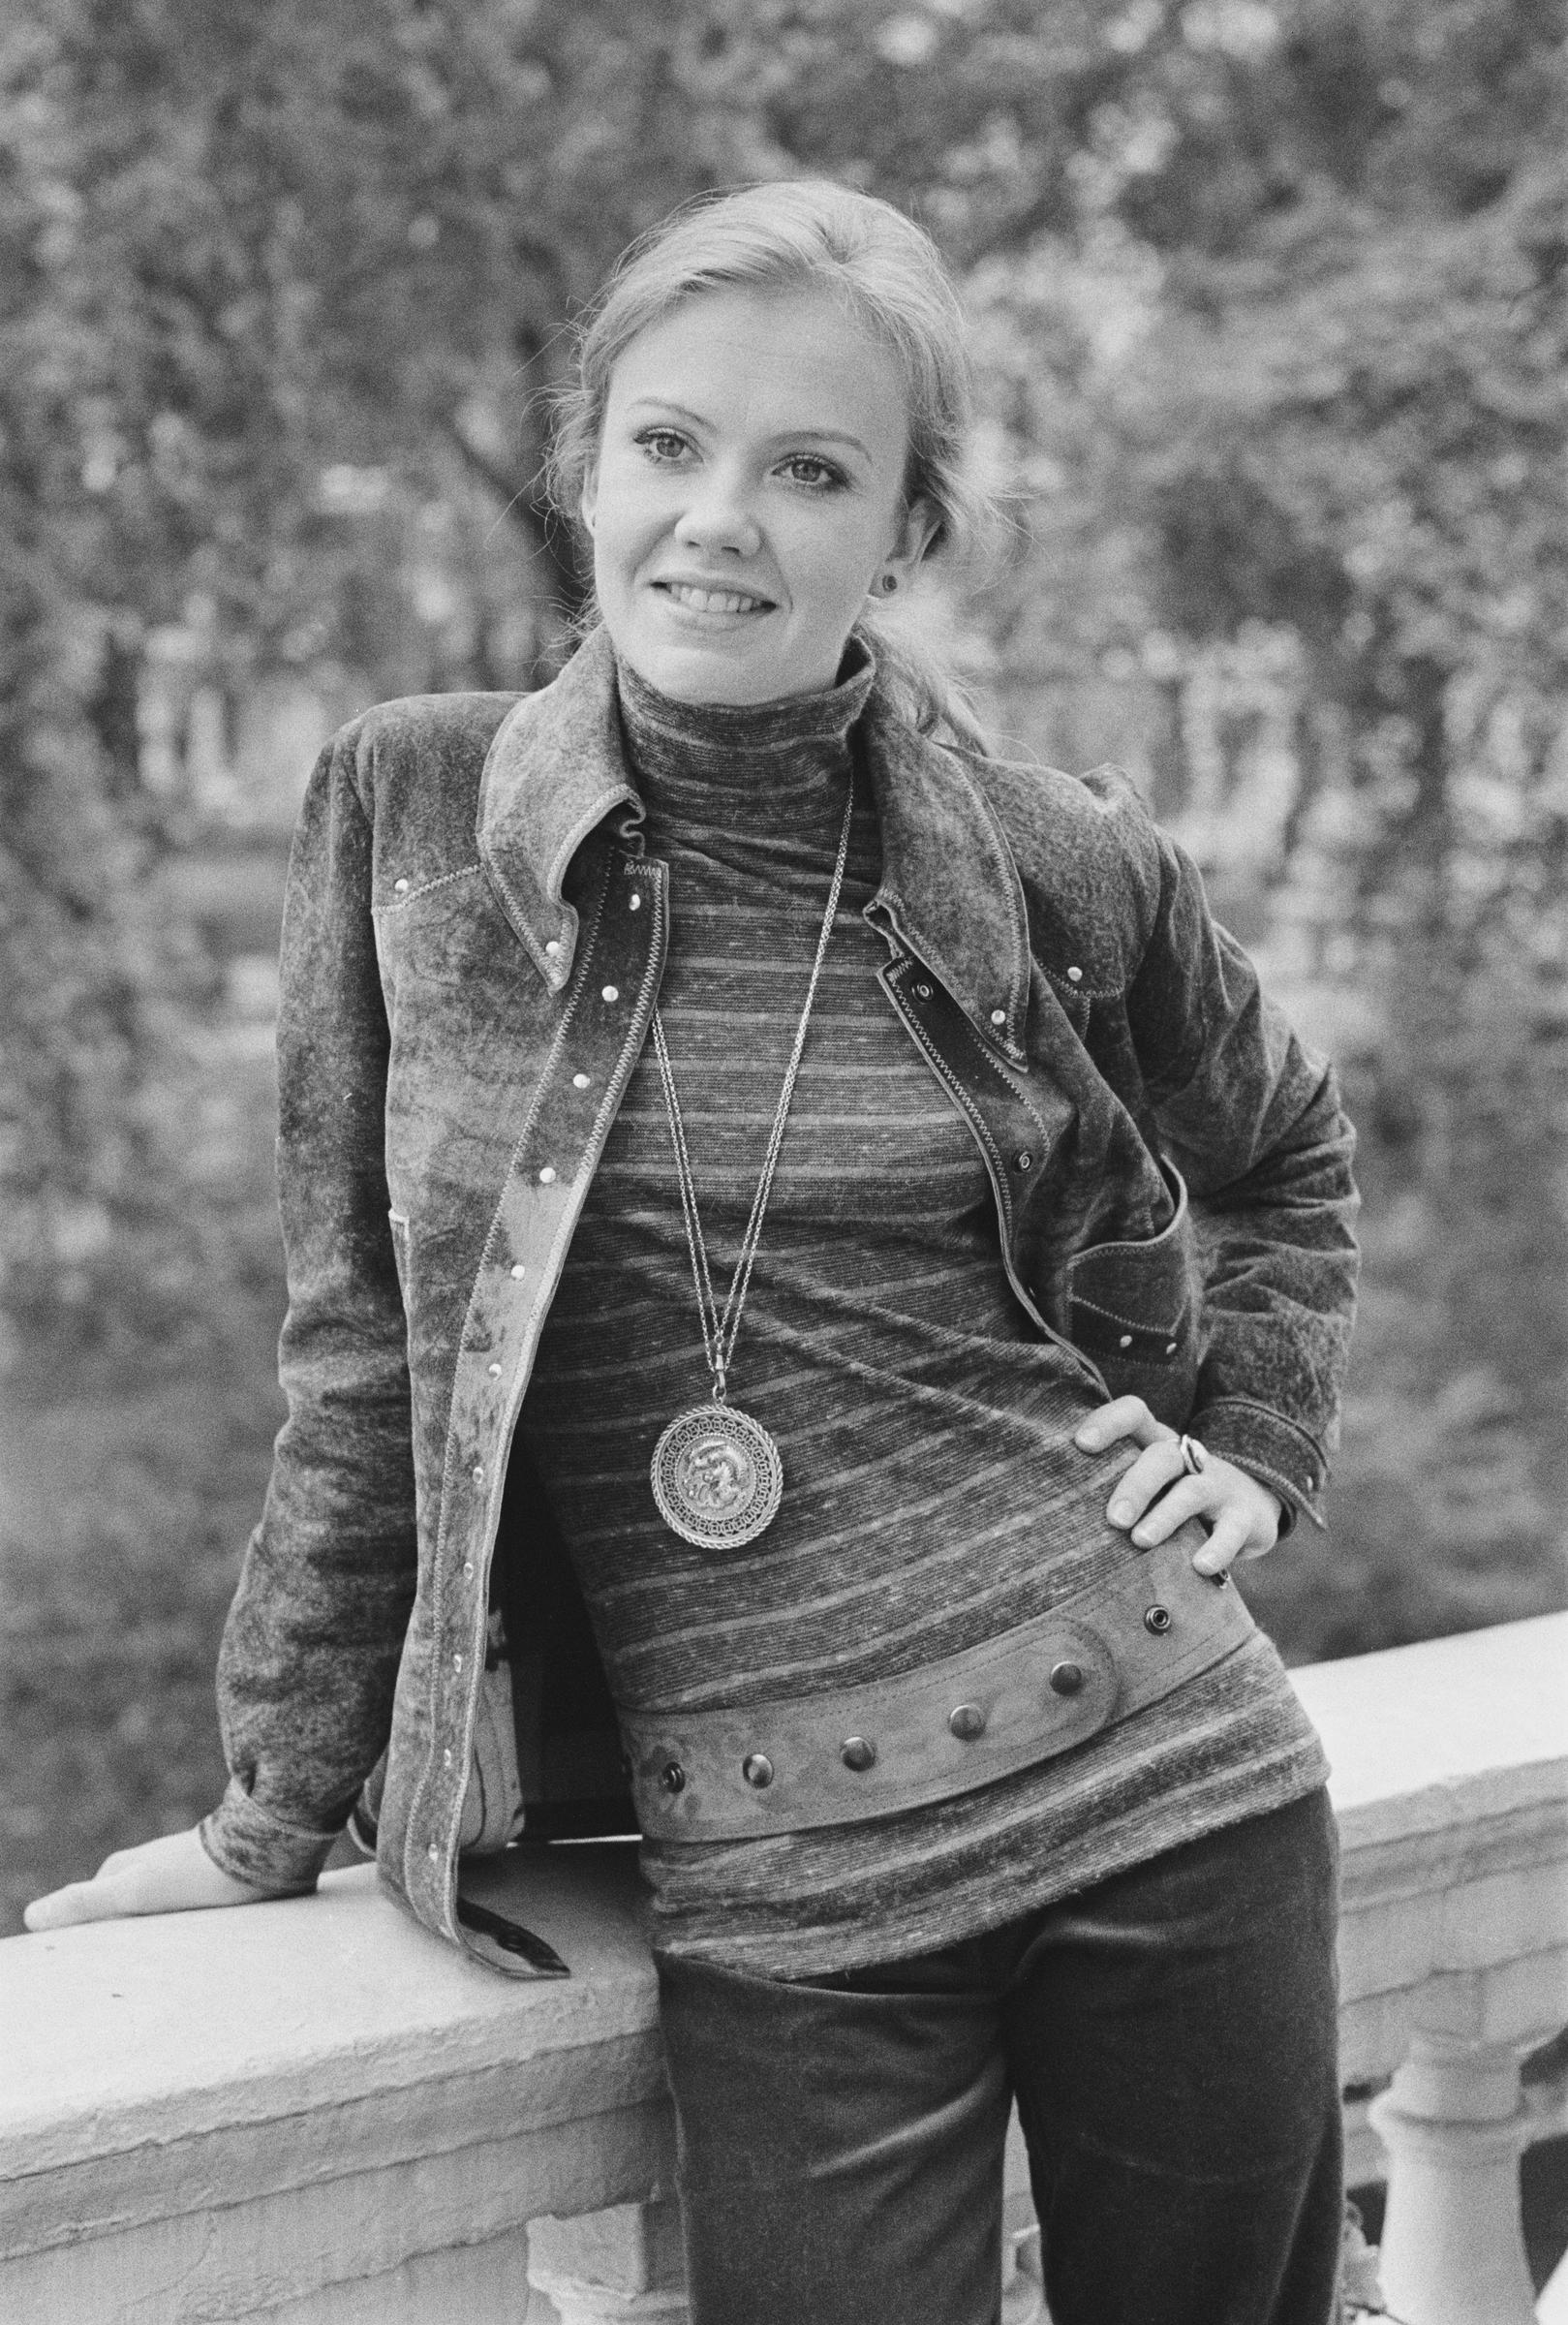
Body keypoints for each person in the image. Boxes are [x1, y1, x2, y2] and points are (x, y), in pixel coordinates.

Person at [28, 180, 1360, 2325]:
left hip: (1170, 1787)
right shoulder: (408, 819)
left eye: (808, 469)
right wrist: (276, 1802)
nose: (719, 518)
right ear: (588, 468)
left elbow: (1288, 1150)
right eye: (669, 445)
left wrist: (1253, 1442)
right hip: (776, 1897)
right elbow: (360, 1355)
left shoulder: (1049, 857)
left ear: (903, 538)